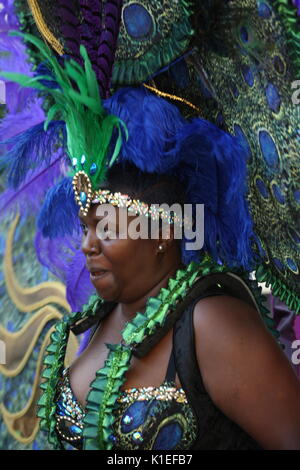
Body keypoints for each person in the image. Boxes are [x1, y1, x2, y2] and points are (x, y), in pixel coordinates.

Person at [2, 34, 300, 451]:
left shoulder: (213, 323)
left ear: (160, 233)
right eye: (85, 228)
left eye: (105, 229)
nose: (88, 244)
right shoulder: (102, 315)